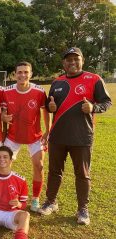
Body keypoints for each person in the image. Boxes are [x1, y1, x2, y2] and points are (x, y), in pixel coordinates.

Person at [39, 47, 112, 225]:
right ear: (64, 63)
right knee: (55, 172)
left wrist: (93, 108)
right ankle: (51, 202)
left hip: (82, 137)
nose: (72, 62)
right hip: (57, 136)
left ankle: (82, 209)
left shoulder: (94, 79)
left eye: (75, 59)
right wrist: (51, 108)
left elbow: (106, 102)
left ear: (82, 61)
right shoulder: (57, 82)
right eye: (68, 60)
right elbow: (50, 105)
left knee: (82, 174)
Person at [2, 62, 50, 212]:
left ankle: (35, 199)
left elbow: (46, 112)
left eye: (26, 72)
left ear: (31, 74)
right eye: (19, 72)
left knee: (39, 165)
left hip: (35, 136)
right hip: (13, 136)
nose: (22, 75)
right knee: (4, 166)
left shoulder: (39, 91)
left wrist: (48, 131)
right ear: (14, 74)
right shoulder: (6, 91)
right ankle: (6, 196)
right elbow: (3, 111)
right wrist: (3, 116)